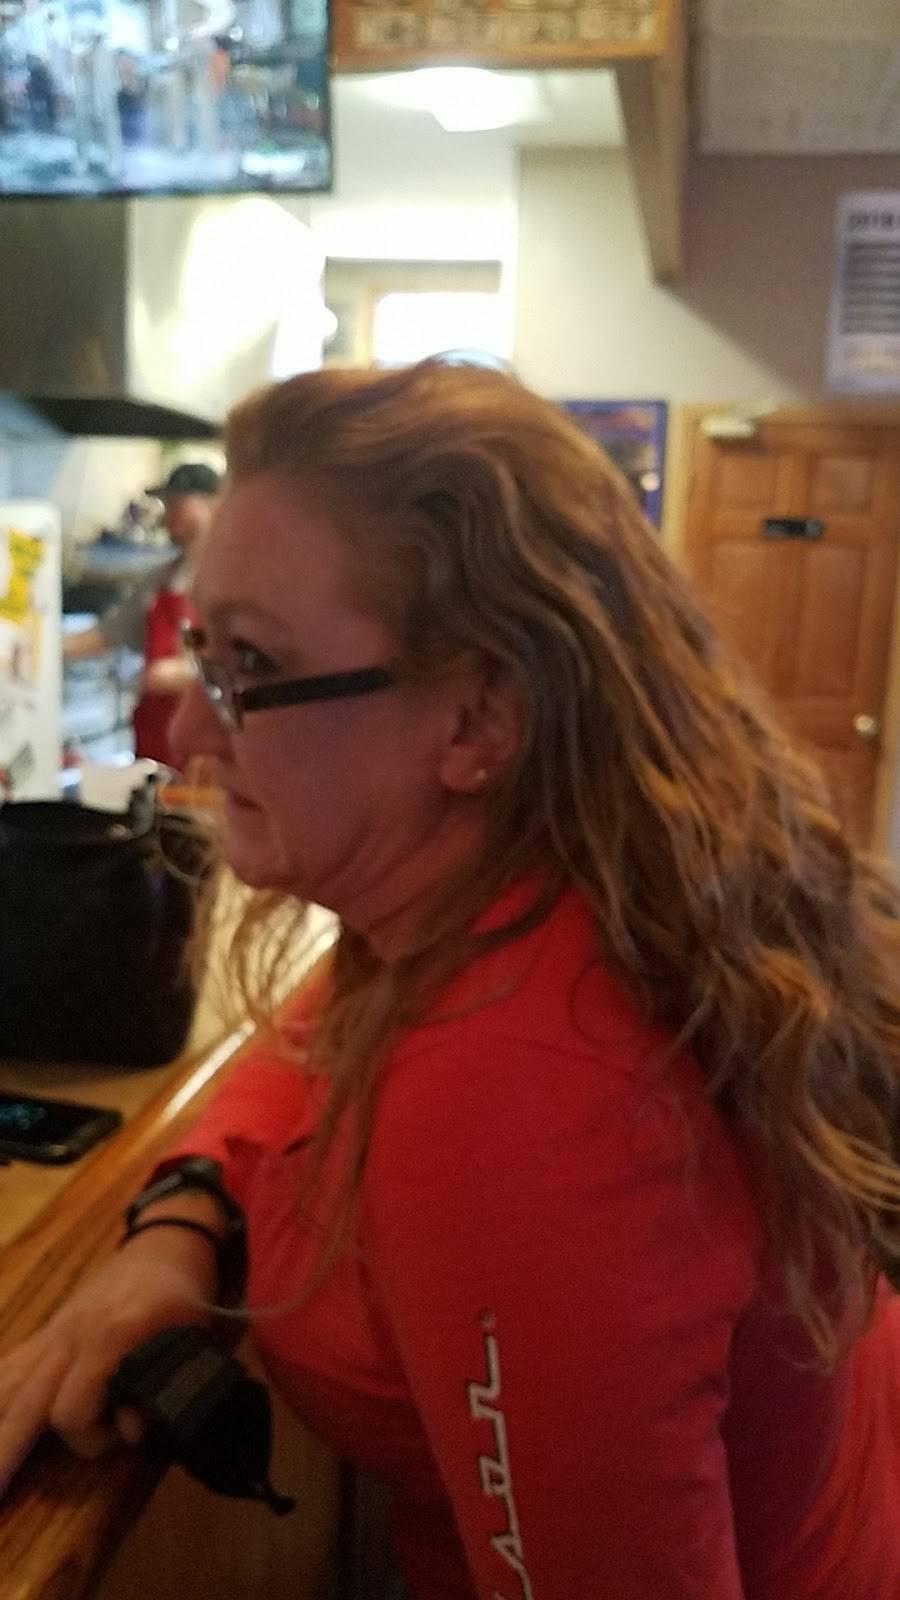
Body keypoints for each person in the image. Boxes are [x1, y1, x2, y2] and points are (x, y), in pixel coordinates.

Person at [2, 361, 899, 1599]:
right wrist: (181, 1219)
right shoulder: (509, 897)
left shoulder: (522, 1099)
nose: (197, 734)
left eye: (250, 665)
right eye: (205, 652)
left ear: (478, 721)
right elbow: (315, 1030)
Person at [64, 462, 220, 768]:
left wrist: (183, 673)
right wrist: (32, 646)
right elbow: (106, 635)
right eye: (167, 503)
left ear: (213, 504)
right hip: (155, 741)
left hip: (205, 748)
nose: (168, 513)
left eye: (177, 503)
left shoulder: (235, 578)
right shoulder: (162, 579)